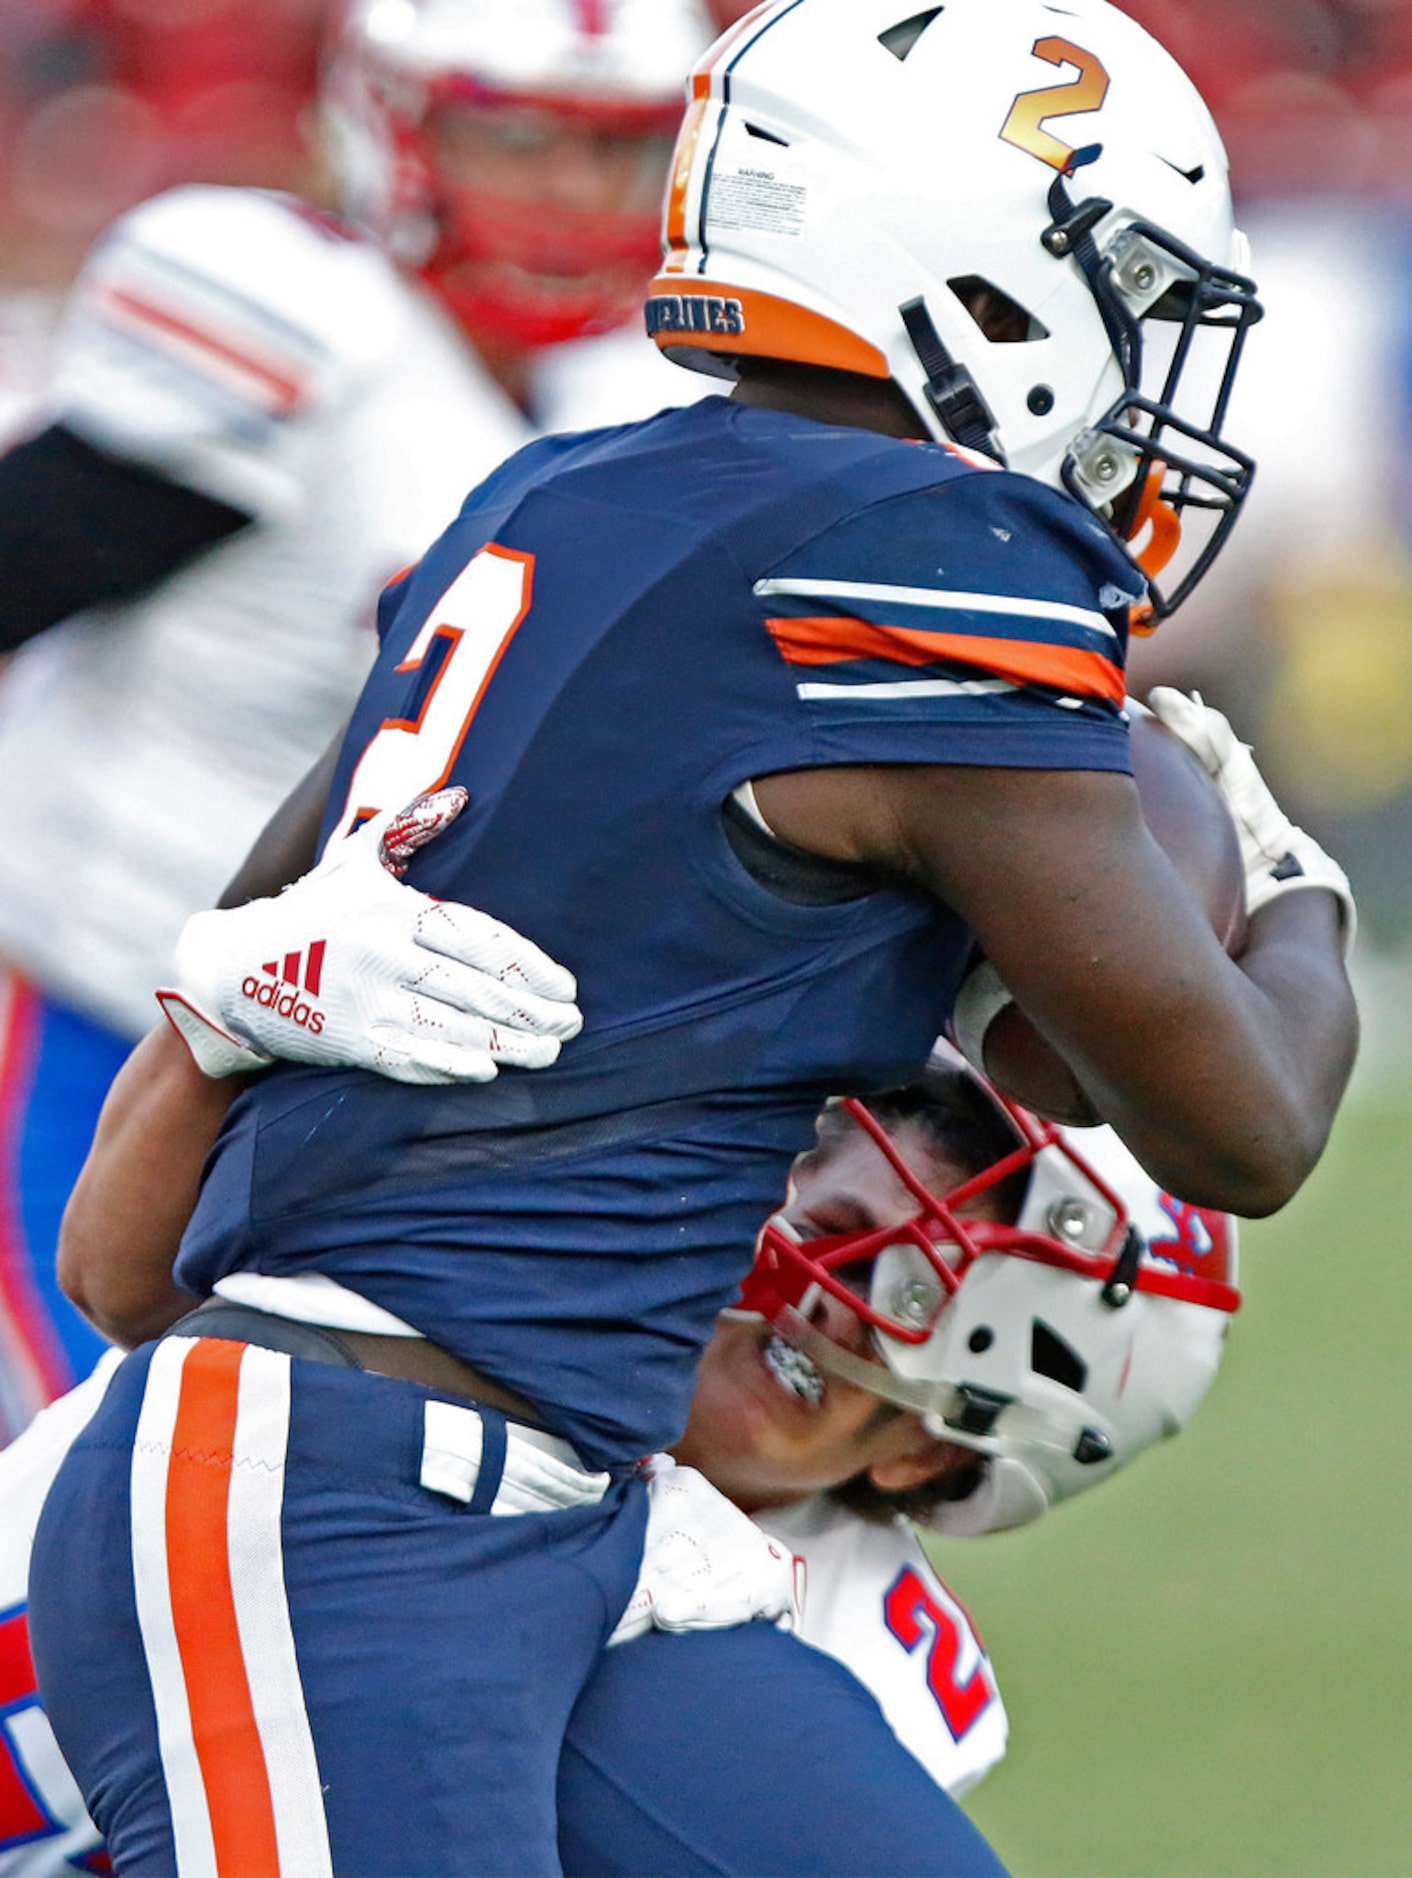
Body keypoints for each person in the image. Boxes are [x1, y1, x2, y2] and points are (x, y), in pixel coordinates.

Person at [29, 1, 1358, 1872]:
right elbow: (1243, 1124)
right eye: (1123, 291)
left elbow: (123, 1252)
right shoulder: (923, 570)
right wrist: (1296, 881)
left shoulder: (550, 496)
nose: (1146, 363)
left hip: (548, 1495)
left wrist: (226, 1012)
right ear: (972, 275)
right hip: (350, 1510)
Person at [1, 1042, 1235, 1874]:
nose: (799, 1294)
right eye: (835, 1226)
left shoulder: (843, 1669)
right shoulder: (504, 1258)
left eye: (894, 1293)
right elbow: (114, 1277)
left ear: (923, 1459)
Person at [0, 0, 714, 1433]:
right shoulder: (298, 321)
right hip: (85, 1006)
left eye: (613, 155)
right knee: (80, 1504)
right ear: (392, 125)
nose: (568, 198)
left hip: (344, 1091)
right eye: (515, 141)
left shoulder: (647, 396)